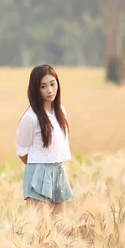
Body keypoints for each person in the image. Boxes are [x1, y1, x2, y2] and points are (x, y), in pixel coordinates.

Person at [15, 64, 73, 215]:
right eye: (43, 86)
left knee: (61, 226)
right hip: (38, 172)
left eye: (53, 84)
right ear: (36, 89)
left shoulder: (61, 111)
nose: (50, 90)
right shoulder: (30, 117)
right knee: (39, 229)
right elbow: (22, 151)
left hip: (58, 170)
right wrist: (38, 167)